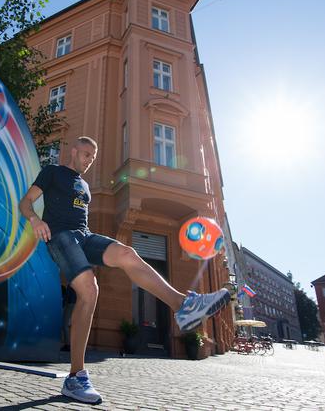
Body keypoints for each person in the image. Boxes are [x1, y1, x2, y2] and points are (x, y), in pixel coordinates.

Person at [19, 136, 230, 404]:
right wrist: (35, 219)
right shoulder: (53, 172)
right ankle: (76, 377)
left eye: (93, 157)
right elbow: (25, 202)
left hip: (83, 236)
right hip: (60, 237)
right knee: (89, 289)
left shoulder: (84, 186)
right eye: (86, 154)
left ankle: (183, 305)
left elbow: (82, 224)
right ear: (73, 150)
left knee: (128, 254)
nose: (89, 160)